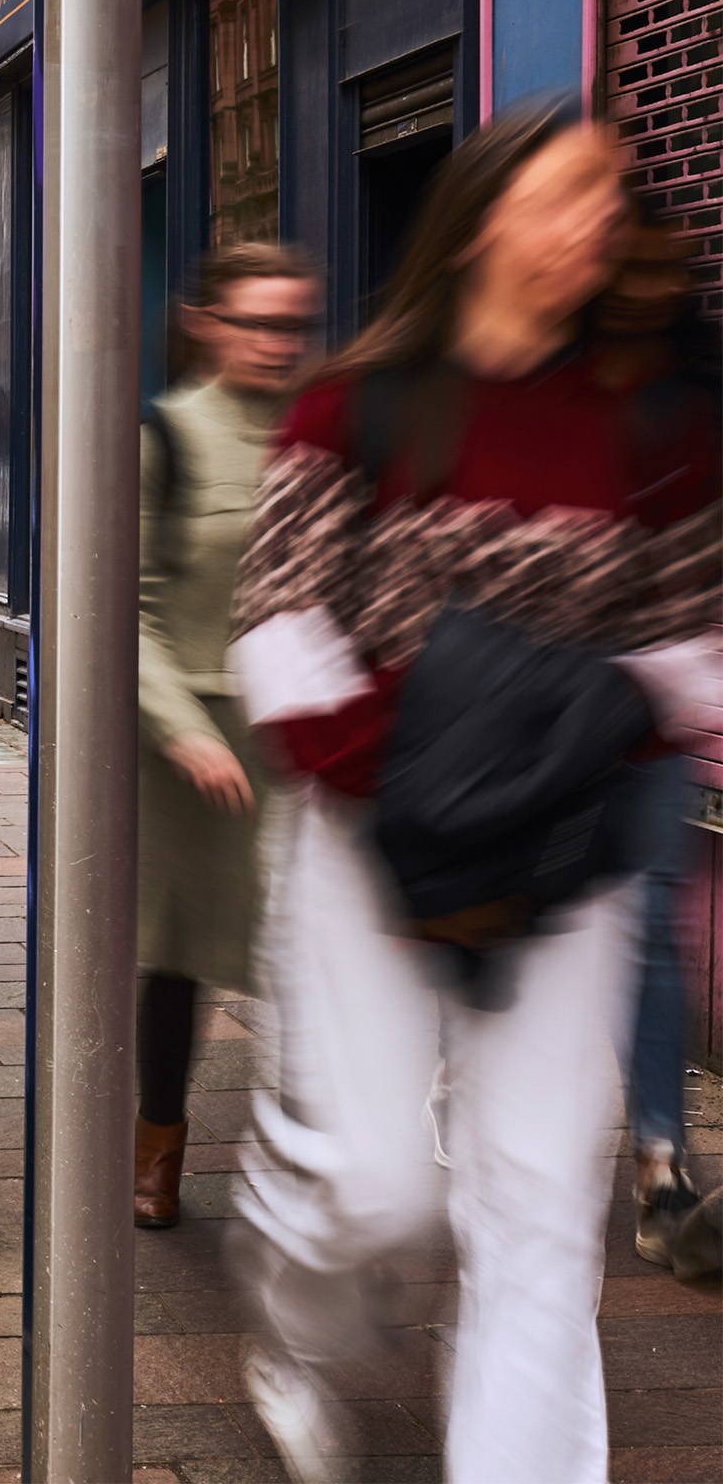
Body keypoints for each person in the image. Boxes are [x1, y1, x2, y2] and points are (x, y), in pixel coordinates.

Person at [226, 96, 720, 1484]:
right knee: (376, 1185)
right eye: (569, 194)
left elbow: (694, 644)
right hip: (366, 846)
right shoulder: (355, 403)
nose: (597, 227)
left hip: (566, 860)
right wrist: (416, 770)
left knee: (539, 1209)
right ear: (487, 212)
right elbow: (277, 630)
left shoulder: (650, 426)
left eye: (611, 204)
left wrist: (572, 730)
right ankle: (293, 1316)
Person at [135, 242, 320, 1229]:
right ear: (204, 323)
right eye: (256, 322)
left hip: (296, 736)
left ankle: (304, 1160)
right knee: (179, 956)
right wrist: (177, 727)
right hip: (193, 743)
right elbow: (124, 608)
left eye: (293, 324)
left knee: (308, 947)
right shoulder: (166, 436)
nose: (276, 343)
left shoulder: (321, 434)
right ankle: (156, 1141)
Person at [594, 206, 718, 1260]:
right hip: (539, 706)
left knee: (646, 933)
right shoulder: (549, 391)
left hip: (654, 715)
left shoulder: (692, 405)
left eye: (656, 276)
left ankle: (659, 1160)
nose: (639, 292)